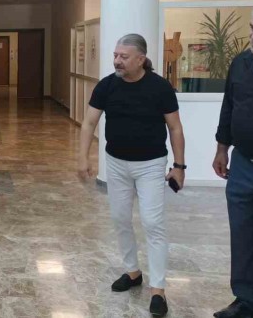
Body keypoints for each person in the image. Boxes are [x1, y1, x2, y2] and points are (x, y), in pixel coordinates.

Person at [78, 34, 185, 318]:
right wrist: (83, 157)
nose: (117, 61)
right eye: (115, 55)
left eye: (123, 57)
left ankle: (158, 289)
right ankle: (133, 272)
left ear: (141, 59)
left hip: (151, 164)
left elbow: (175, 128)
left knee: (153, 222)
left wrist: (179, 166)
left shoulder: (160, 88)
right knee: (120, 218)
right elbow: (89, 122)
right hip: (116, 163)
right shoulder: (107, 86)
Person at [213, 4, 253, 318]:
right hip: (243, 165)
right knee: (244, 236)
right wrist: (222, 148)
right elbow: (228, 107)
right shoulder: (241, 63)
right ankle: (248, 301)